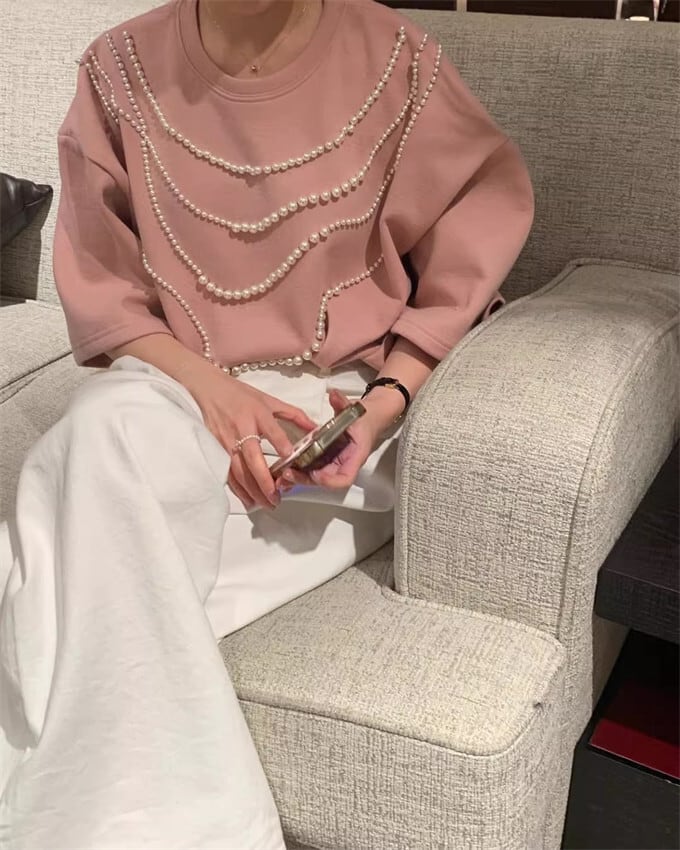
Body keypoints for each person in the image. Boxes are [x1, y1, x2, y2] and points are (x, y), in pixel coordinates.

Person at [0, 0, 534, 846]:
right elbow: (107, 295)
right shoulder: (119, 69)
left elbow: (473, 242)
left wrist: (381, 405)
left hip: (329, 429)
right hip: (175, 388)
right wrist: (214, 391)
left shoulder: (395, 58)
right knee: (102, 432)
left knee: (55, 560)